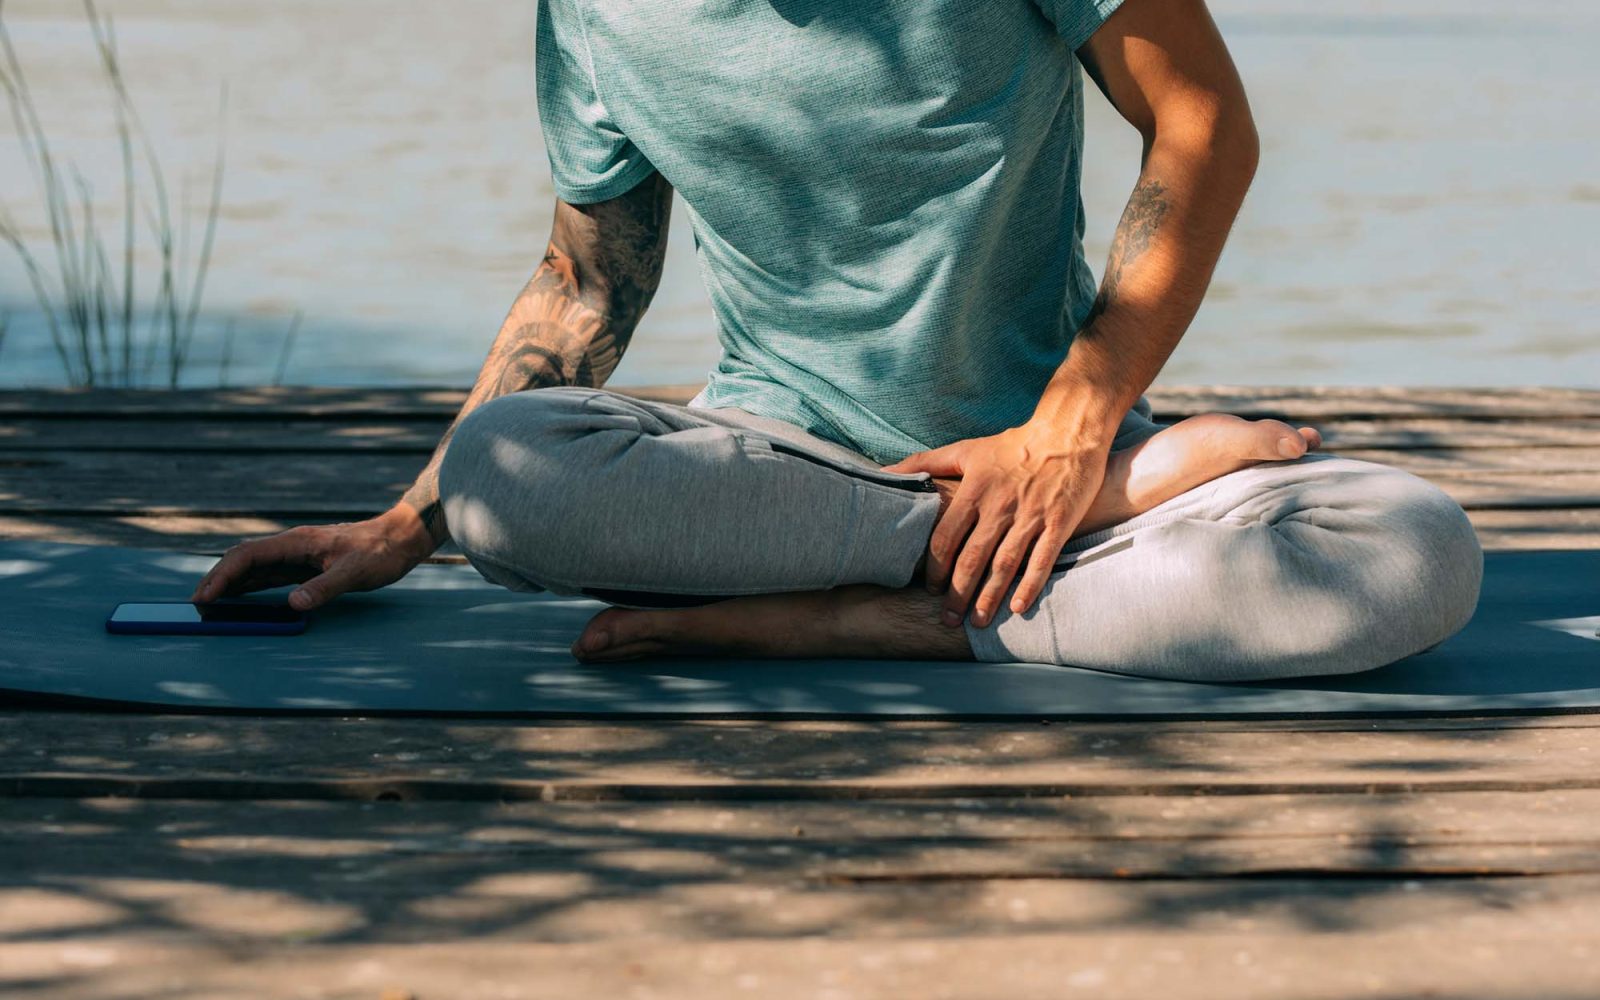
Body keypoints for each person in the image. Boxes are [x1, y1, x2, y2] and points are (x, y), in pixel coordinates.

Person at [194, 0, 1482, 681]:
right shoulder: (592, 11)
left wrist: (1073, 430)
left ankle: (864, 621)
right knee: (499, 470)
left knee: (1412, 555)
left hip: (1046, 444)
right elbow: (587, 284)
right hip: (776, 465)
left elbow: (1204, 126)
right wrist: (405, 528)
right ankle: (1051, 538)